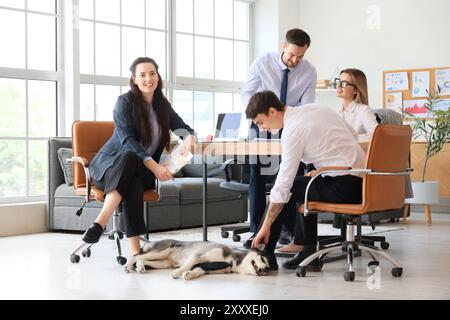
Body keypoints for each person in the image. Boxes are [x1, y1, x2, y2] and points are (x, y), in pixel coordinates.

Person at [81, 57, 197, 257]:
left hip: (140, 171)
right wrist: (155, 167)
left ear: (158, 76)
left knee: (133, 178)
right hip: (109, 168)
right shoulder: (124, 102)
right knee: (130, 157)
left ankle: (101, 225)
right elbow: (128, 141)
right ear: (134, 79)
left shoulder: (162, 105)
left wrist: (190, 138)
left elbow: (184, 128)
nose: (148, 79)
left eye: (152, 73)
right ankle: (132, 249)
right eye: (142, 75)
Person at [246, 91, 366, 271]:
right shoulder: (317, 109)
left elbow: (283, 184)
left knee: (288, 187)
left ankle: (265, 252)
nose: (262, 129)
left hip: (345, 187)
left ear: (272, 111)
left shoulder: (292, 130)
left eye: (260, 123)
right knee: (305, 182)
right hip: (364, 183)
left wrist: (266, 226)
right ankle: (308, 252)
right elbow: (354, 136)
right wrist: (326, 168)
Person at [279, 68, 379, 254]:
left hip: (355, 171)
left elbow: (379, 136)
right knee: (303, 179)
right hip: (337, 168)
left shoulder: (363, 111)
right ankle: (300, 240)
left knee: (296, 185)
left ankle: (302, 242)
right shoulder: (334, 112)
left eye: (344, 83)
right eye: (337, 82)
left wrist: (352, 141)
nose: (338, 86)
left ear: (355, 90)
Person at [240, 28, 317, 247]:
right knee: (257, 174)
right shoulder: (262, 63)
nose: (295, 60)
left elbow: (308, 105)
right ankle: (256, 231)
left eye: (300, 56)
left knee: (291, 176)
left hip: (291, 122)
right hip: (262, 122)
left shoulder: (309, 71)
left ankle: (288, 230)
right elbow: (247, 93)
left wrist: (291, 123)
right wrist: (259, 115)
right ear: (284, 46)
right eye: (292, 54)